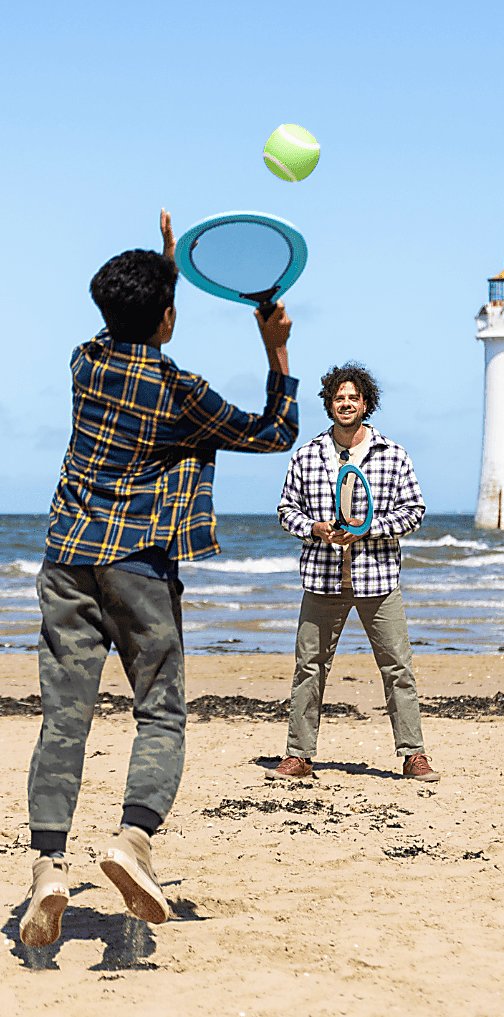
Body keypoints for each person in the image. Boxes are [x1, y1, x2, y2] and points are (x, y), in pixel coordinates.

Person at [20, 211, 298, 947]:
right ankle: (132, 839)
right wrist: (276, 351)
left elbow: (130, 325)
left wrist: (167, 265)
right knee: (160, 710)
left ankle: (49, 864)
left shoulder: (85, 361)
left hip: (65, 561)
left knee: (64, 718)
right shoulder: (181, 391)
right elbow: (272, 431)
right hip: (139, 566)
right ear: (168, 317)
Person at [272, 362, 439, 783]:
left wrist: (368, 530)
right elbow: (285, 510)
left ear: (366, 404)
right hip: (321, 580)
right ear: (329, 403)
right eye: (339, 398)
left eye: (354, 398)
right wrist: (314, 528)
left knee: (398, 667)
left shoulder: (393, 454)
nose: (346, 404)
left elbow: (414, 512)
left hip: (378, 577)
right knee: (309, 667)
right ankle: (299, 755)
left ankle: (413, 755)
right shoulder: (307, 455)